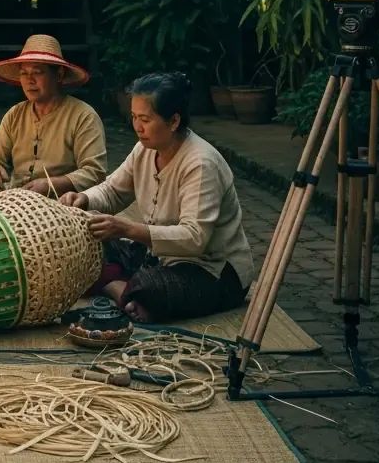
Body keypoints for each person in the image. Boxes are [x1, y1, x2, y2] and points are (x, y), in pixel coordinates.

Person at [60, 71, 253, 324]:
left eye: (145, 119)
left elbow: (195, 239)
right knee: (83, 243)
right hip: (158, 257)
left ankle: (122, 288)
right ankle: (124, 292)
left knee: (150, 290)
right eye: (134, 117)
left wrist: (127, 228)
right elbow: (113, 190)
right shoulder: (144, 149)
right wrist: (83, 199)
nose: (137, 127)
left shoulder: (200, 163)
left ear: (173, 121)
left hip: (210, 270)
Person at [0, 34, 106, 217]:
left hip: (59, 206)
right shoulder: (15, 114)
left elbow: (94, 172)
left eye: (37, 72)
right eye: (24, 73)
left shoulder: (83, 115)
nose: (29, 81)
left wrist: (50, 184)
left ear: (59, 75)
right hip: (16, 203)